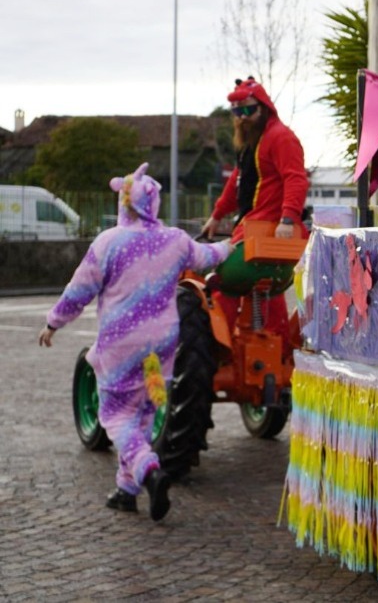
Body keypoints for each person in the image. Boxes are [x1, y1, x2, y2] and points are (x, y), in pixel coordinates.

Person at [39, 163, 231, 521]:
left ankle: (148, 471)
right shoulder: (175, 240)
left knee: (115, 415)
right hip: (161, 350)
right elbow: (210, 256)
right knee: (145, 410)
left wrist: (53, 322)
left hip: (121, 347)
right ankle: (126, 491)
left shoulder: (108, 243)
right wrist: (233, 244)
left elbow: (78, 290)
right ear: (154, 203)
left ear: (124, 203)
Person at [199, 76, 309, 344]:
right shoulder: (253, 143)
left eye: (248, 110)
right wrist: (216, 216)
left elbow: (295, 178)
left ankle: (218, 349)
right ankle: (273, 347)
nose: (242, 118)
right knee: (267, 291)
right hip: (255, 228)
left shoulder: (280, 137)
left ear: (264, 107)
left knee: (216, 278)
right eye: (237, 112)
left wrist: (287, 219)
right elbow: (237, 183)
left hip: (267, 230)